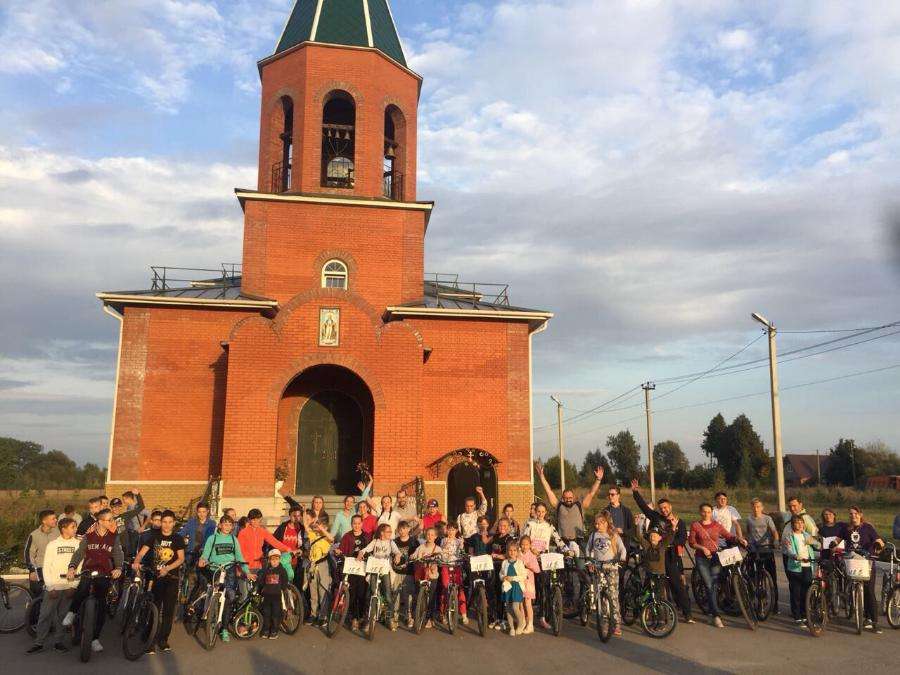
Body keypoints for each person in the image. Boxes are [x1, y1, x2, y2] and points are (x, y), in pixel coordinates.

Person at [630, 480, 693, 623]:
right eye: (661, 508)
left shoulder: (679, 522)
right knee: (649, 585)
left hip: (670, 557)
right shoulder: (656, 517)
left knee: (677, 585)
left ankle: (687, 613)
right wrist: (635, 492)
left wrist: (668, 544)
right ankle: (645, 612)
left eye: (665, 507)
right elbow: (643, 507)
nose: (664, 510)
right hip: (654, 557)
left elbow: (682, 539)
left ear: (670, 507)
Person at [63, 508, 123, 653]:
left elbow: (117, 553)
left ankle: (95, 638)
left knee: (102, 604)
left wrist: (118, 568)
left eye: (112, 519)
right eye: (109, 520)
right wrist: (71, 568)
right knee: (83, 587)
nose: (112, 522)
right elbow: (79, 553)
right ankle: (71, 613)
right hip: (88, 570)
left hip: (104, 573)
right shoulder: (89, 536)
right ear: (101, 521)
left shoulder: (114, 537)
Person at [132, 509, 185, 653]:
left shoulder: (177, 539)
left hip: (171, 579)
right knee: (153, 609)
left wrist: (167, 568)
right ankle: (149, 640)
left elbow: (181, 558)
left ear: (174, 523)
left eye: (170, 522)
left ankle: (163, 640)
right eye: (164, 522)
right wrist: (136, 562)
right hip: (156, 579)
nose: (167, 525)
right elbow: (142, 552)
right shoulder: (154, 536)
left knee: (168, 612)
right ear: (160, 523)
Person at [26, 517, 79, 655]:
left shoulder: (78, 544)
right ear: (64, 529)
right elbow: (47, 567)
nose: (75, 529)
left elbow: (80, 566)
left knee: (62, 616)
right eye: (73, 527)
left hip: (68, 587)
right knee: (45, 615)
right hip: (53, 587)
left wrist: (73, 585)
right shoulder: (53, 545)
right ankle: (39, 643)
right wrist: (50, 586)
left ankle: (58, 642)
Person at [688, 502, 747, 628]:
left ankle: (713, 610)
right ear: (700, 512)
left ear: (711, 513)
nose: (706, 514)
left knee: (713, 585)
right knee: (709, 585)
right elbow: (691, 542)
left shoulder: (716, 525)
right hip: (701, 559)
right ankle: (716, 616)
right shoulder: (695, 525)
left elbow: (728, 535)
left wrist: (739, 539)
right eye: (704, 511)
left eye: (708, 512)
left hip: (715, 557)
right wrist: (702, 548)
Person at [198, 514, 252, 643]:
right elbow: (206, 553)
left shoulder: (234, 539)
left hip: (229, 571)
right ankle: (210, 615)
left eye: (230, 524)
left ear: (233, 526)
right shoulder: (213, 538)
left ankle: (224, 629)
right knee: (213, 594)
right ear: (220, 525)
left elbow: (239, 557)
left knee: (230, 597)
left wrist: (247, 572)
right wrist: (203, 560)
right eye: (225, 524)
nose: (227, 527)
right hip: (215, 569)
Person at [836, 506, 885, 633]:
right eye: (851, 514)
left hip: (866, 563)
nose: (853, 516)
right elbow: (837, 540)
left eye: (855, 513)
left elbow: (879, 541)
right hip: (852, 562)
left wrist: (878, 545)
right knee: (852, 587)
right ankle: (860, 613)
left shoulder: (868, 528)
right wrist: (832, 545)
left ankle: (873, 621)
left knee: (869, 591)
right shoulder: (846, 529)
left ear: (860, 514)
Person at [534, 462, 604, 544]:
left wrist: (598, 480)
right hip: (563, 542)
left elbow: (591, 493)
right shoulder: (559, 505)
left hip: (578, 541)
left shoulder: (580, 505)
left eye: (570, 497)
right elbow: (548, 491)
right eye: (566, 498)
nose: (568, 499)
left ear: (573, 497)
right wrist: (541, 476)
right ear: (563, 498)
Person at [522, 502, 565, 630]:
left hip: (544, 560)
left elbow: (558, 540)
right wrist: (531, 549)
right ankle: (526, 617)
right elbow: (523, 539)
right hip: (531, 560)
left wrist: (567, 549)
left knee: (544, 589)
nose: (540, 514)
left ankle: (542, 617)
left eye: (542, 511)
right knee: (528, 589)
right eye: (538, 511)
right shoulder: (530, 524)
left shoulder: (549, 526)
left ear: (546, 512)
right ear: (535, 512)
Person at [585, 511, 627, 637]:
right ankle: (604, 621)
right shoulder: (594, 535)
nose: (597, 526)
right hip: (599, 568)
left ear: (606, 523)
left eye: (600, 523)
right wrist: (589, 561)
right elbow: (588, 549)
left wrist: (622, 558)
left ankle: (616, 622)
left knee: (613, 595)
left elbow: (622, 549)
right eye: (596, 523)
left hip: (612, 568)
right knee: (602, 596)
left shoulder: (613, 535)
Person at [358, 523, 403, 630]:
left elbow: (397, 552)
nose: (390, 534)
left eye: (391, 532)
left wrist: (397, 556)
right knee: (372, 592)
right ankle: (368, 620)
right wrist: (361, 552)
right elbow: (366, 549)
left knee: (387, 594)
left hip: (385, 570)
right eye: (388, 531)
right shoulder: (375, 541)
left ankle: (390, 618)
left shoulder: (391, 542)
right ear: (382, 532)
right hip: (374, 569)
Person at [745, 498, 780, 613]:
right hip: (754, 550)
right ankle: (754, 600)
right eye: (754, 507)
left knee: (771, 577)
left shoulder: (767, 518)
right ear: (751, 507)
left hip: (766, 549)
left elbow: (774, 531)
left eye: (758, 506)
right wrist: (748, 543)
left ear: (762, 507)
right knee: (753, 577)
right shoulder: (749, 519)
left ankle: (774, 605)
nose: (756, 509)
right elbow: (748, 532)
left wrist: (775, 541)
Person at [782, 514, 819, 625]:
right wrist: (795, 556)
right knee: (796, 592)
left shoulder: (806, 535)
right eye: (797, 523)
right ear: (793, 525)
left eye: (802, 523)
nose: (800, 525)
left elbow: (817, 545)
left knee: (806, 592)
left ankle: (804, 614)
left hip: (807, 566)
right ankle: (797, 615)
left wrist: (816, 543)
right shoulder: (789, 536)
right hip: (795, 567)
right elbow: (789, 550)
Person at [339, 514, 371, 631]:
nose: (356, 526)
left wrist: (364, 555)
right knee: (352, 594)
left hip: (362, 569)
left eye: (358, 523)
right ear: (351, 524)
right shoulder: (347, 536)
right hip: (351, 569)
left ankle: (361, 617)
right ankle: (353, 618)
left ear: (362, 524)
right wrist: (338, 552)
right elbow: (342, 550)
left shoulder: (367, 536)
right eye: (354, 523)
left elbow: (370, 551)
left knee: (362, 594)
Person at [238, 508, 294, 573]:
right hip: (246, 567)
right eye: (254, 520)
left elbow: (274, 542)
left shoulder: (262, 531)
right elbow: (239, 551)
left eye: (258, 520)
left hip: (259, 566)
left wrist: (287, 549)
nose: (256, 522)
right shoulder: (243, 533)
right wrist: (239, 568)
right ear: (249, 520)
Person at [466, 516, 499, 627]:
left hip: (488, 564)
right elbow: (471, 551)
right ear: (477, 525)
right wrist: (471, 558)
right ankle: (469, 607)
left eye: (485, 523)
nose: (482, 525)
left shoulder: (492, 536)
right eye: (480, 523)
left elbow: (493, 548)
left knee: (490, 589)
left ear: (488, 524)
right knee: (473, 587)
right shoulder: (473, 537)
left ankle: (492, 615)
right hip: (476, 564)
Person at [410, 526, 442, 629]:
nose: (430, 536)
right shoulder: (421, 547)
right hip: (421, 575)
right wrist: (413, 556)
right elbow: (414, 554)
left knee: (431, 597)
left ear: (436, 536)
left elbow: (441, 558)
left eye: (432, 535)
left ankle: (430, 618)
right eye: (428, 534)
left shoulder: (438, 548)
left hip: (432, 576)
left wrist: (437, 562)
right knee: (418, 594)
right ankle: (416, 615)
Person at [437, 521, 468, 625]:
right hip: (446, 565)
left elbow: (462, 552)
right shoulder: (443, 540)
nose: (451, 532)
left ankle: (463, 614)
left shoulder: (459, 541)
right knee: (445, 588)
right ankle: (443, 613)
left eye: (453, 530)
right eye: (449, 529)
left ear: (456, 531)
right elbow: (441, 551)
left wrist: (462, 544)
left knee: (460, 589)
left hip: (456, 566)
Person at [306, 513, 334, 626]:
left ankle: (323, 616)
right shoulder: (313, 536)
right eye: (318, 525)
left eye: (322, 525)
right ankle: (313, 614)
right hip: (313, 566)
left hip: (323, 565)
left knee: (323, 591)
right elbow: (306, 526)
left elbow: (332, 538)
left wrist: (323, 529)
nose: (318, 527)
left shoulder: (327, 538)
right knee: (313, 593)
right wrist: (304, 513)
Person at [24, 509, 58, 597]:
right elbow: (29, 553)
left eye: (55, 518)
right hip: (40, 569)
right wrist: (32, 570)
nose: (56, 520)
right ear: (44, 521)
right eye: (53, 519)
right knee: (37, 597)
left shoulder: (59, 532)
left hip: (56, 569)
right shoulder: (34, 535)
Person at [392, 520, 419, 628]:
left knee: (409, 595)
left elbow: (417, 554)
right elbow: (391, 554)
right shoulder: (395, 542)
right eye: (400, 529)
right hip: (396, 571)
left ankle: (409, 615)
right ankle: (395, 616)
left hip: (409, 572)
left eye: (404, 528)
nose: (402, 531)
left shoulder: (414, 541)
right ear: (398, 530)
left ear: (408, 529)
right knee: (396, 594)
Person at [257, 550, 289, 639]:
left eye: (276, 559)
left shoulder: (282, 570)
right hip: (267, 595)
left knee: (275, 614)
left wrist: (282, 588)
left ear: (279, 559)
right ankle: (266, 629)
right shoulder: (266, 570)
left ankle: (274, 630)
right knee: (266, 613)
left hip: (276, 595)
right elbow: (262, 581)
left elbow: (285, 581)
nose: (274, 561)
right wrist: (260, 590)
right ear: (269, 560)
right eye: (272, 560)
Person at [274, 504, 305, 586]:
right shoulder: (283, 527)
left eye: (298, 516)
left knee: (293, 585)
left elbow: (304, 543)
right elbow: (274, 541)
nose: (296, 518)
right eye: (294, 516)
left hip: (295, 561)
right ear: (290, 516)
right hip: (282, 560)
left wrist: (301, 550)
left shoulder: (302, 528)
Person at [501, 541, 527, 636]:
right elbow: (501, 574)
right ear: (507, 551)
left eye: (514, 550)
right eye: (510, 550)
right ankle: (512, 628)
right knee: (508, 608)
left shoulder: (520, 563)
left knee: (515, 607)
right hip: (507, 587)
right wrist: (503, 577)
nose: (512, 552)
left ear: (517, 552)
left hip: (516, 587)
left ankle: (521, 623)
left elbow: (524, 576)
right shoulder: (504, 562)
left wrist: (513, 578)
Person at [178, 501, 216, 567]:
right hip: (191, 553)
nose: (201, 514)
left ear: (208, 511)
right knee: (189, 575)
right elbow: (182, 534)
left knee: (202, 576)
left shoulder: (212, 524)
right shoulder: (191, 522)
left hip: (205, 554)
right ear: (197, 512)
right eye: (199, 512)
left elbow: (210, 540)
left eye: (204, 512)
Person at [109, 490, 145, 557]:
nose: (117, 508)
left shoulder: (125, 516)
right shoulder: (107, 519)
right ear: (111, 507)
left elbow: (141, 507)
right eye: (114, 507)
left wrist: (138, 495)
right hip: (113, 547)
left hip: (125, 547)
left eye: (119, 506)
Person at [518, 535, 540, 634]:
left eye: (526, 545)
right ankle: (523, 622)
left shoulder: (532, 556)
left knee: (528, 603)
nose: (524, 547)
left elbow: (537, 569)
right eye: (522, 544)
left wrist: (528, 565)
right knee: (521, 603)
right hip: (520, 581)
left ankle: (530, 624)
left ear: (530, 545)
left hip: (528, 582)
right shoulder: (518, 554)